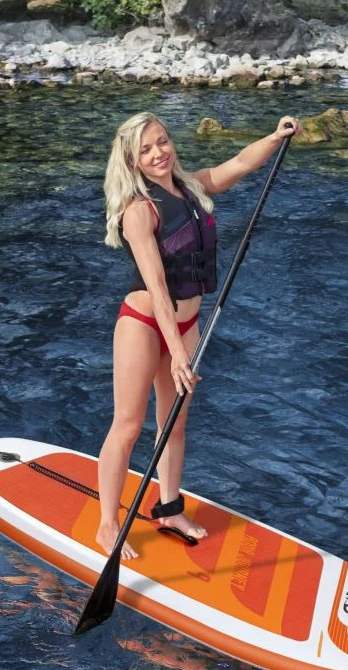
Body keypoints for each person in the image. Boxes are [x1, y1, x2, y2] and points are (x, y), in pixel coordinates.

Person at [97, 111, 301, 560]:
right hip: (144, 325)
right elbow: (156, 286)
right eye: (146, 149)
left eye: (162, 141)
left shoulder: (191, 188)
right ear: (131, 161)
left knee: (174, 423)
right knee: (128, 426)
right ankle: (108, 524)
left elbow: (240, 164)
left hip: (187, 324)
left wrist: (275, 136)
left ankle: (169, 510)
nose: (158, 153)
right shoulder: (138, 211)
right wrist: (175, 353)